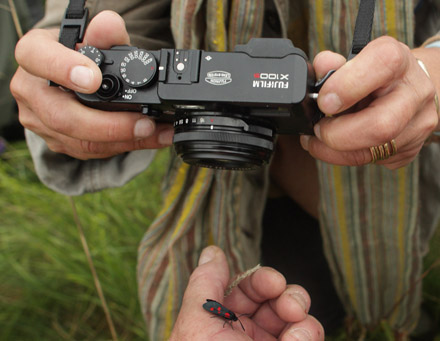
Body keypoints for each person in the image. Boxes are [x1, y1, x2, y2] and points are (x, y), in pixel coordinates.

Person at [10, 0, 440, 339]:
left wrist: (429, 75)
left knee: (376, 313)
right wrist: (73, 63)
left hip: (378, 198)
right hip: (218, 204)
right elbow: (117, 17)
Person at [169, 245, 324, 340]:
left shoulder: (230, 315)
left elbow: (222, 316)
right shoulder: (229, 316)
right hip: (213, 307)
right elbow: (223, 317)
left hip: (214, 306)